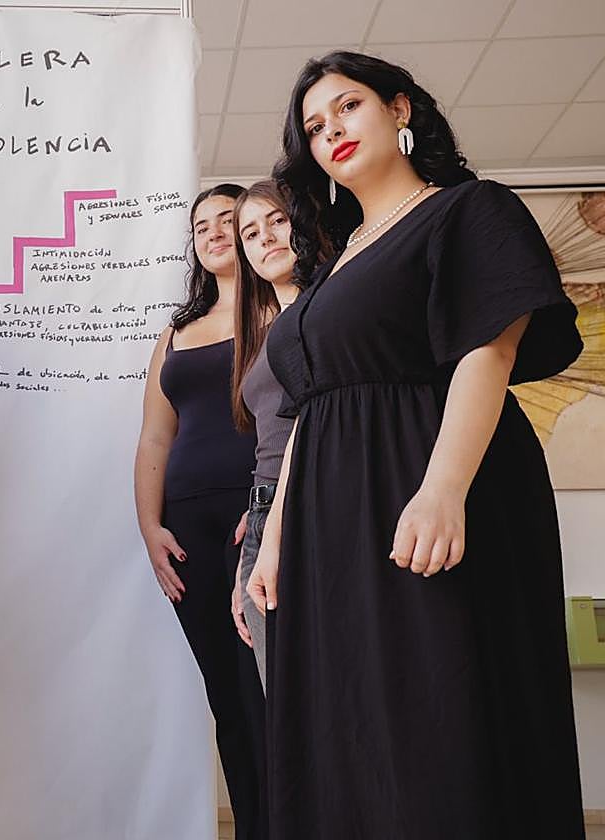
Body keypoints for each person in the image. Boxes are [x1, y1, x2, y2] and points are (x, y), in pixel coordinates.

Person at [246, 51, 585, 838]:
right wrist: (273, 539)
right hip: (331, 516)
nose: (331, 131)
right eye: (315, 126)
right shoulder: (332, 265)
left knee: (434, 710)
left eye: (348, 108)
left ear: (400, 109)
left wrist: (441, 489)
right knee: (349, 718)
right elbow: (310, 406)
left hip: (421, 483)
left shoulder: (469, 210)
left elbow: (489, 350)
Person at [133, 185, 267, 840]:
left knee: (265, 692)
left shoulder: (280, 308)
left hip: (258, 521)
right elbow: (155, 437)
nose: (214, 232)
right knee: (228, 701)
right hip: (186, 523)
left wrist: (271, 514)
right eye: (202, 224)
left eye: (228, 220)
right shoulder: (177, 330)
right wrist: (150, 529)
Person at [228, 180, 311, 688]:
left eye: (277, 221)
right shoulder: (263, 335)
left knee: (308, 694)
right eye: (251, 233)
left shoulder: (323, 314)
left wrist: (272, 536)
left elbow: (311, 423)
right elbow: (268, 445)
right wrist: (249, 556)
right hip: (264, 514)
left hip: (307, 507)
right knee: (279, 695)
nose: (267, 239)